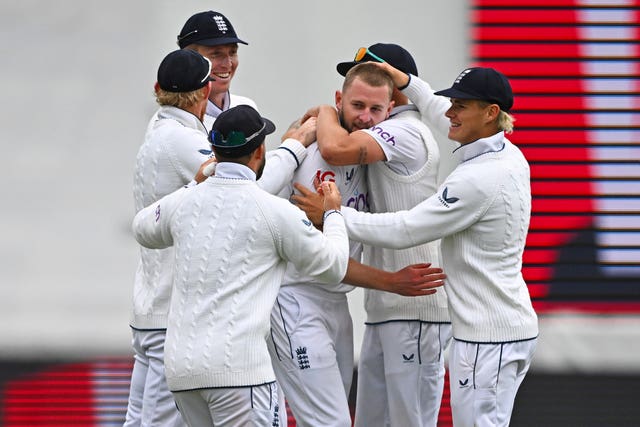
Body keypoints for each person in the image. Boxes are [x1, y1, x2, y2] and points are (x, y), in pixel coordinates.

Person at [131, 105, 445, 427]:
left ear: (214, 150)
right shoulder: (273, 211)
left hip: (183, 372)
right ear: (259, 151)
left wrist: (195, 184)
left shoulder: (184, 203)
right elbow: (333, 264)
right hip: (241, 371)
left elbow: (143, 227)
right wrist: (333, 213)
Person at [323, 61, 539, 427]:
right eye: (451, 103)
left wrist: (333, 214)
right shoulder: (503, 151)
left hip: (488, 337)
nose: (449, 113)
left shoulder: (480, 177)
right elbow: (441, 112)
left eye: (461, 106)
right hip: (494, 331)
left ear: (490, 113)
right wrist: (406, 81)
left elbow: (407, 229)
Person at [125, 49, 317, 427]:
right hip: (172, 315)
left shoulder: (159, 128)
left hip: (153, 309)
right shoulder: (182, 140)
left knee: (140, 421)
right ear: (203, 93)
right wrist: (294, 146)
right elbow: (244, 182)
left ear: (158, 89)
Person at [298, 43, 451, 427]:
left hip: (416, 305)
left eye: (375, 92)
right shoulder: (384, 130)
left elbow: (334, 148)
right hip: (387, 304)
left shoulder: (407, 131)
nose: (363, 113)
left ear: (394, 93)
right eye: (355, 101)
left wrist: (325, 110)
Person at [268, 62, 395, 427]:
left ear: (389, 110)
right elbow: (260, 212)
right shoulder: (306, 145)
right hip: (295, 300)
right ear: (339, 99)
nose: (366, 118)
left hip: (337, 302)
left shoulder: (375, 154)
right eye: (357, 106)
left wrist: (329, 217)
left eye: (376, 109)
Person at [177, 10, 257, 129]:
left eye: (233, 52)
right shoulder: (176, 121)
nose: (228, 63)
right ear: (189, 58)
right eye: (216, 54)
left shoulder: (246, 107)